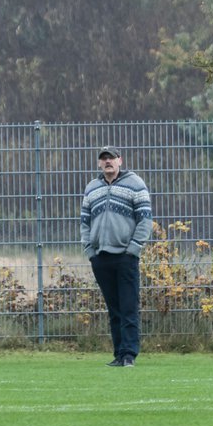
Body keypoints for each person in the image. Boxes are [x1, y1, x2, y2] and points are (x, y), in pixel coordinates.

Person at [80, 146, 153, 367]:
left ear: (120, 160)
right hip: (100, 257)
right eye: (104, 159)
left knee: (128, 306)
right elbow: (85, 223)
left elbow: (145, 220)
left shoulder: (135, 184)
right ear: (99, 164)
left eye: (111, 158)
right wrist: (90, 251)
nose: (108, 161)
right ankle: (119, 354)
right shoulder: (92, 188)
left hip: (125, 256)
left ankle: (129, 354)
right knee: (114, 309)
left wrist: (133, 249)